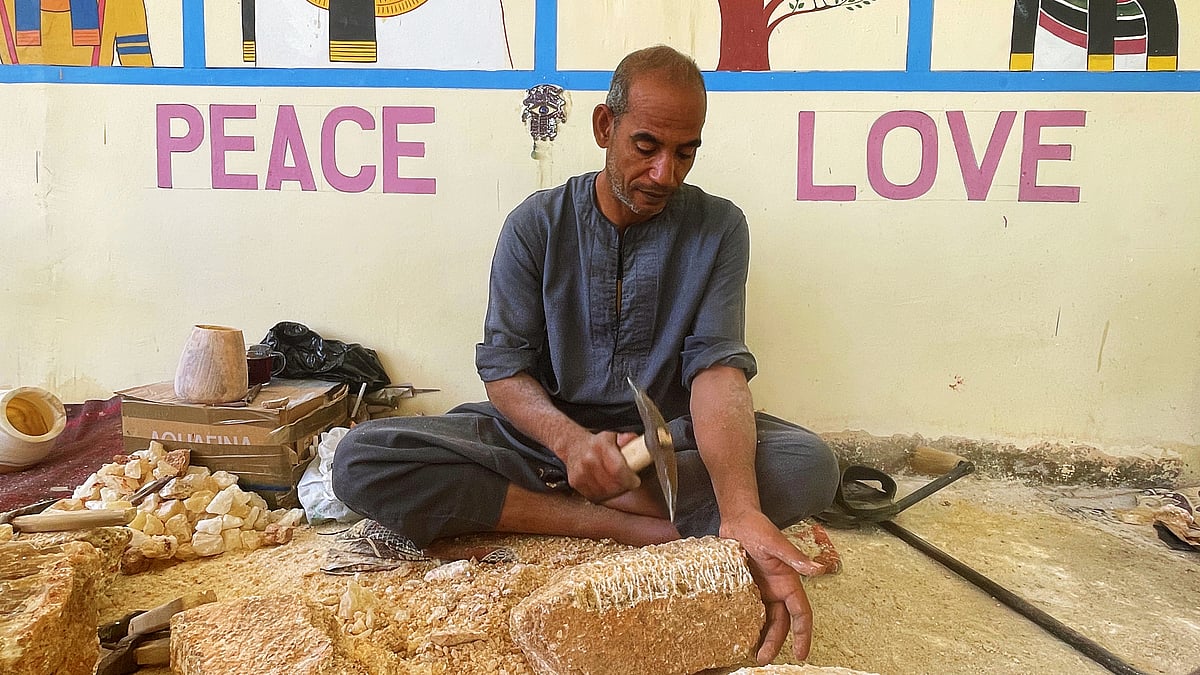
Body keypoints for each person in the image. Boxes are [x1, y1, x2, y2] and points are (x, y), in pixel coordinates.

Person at [332, 45, 839, 664]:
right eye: (646, 147)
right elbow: (505, 373)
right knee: (363, 458)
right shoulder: (536, 225)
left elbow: (717, 367)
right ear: (605, 127)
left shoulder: (719, 227)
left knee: (810, 465)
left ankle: (627, 504)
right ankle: (619, 522)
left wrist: (739, 511)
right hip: (545, 442)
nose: (665, 175)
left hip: (662, 450)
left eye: (685, 153)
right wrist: (572, 445)